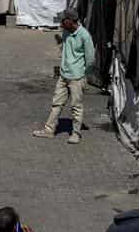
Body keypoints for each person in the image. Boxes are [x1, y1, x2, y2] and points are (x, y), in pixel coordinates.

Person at [32, 10, 96, 143]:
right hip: (63, 75)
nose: (60, 23)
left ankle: (76, 133)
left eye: (63, 21)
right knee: (56, 103)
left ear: (70, 21)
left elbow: (90, 59)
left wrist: (83, 75)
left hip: (77, 77)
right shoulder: (66, 32)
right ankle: (49, 130)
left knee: (76, 106)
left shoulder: (85, 36)